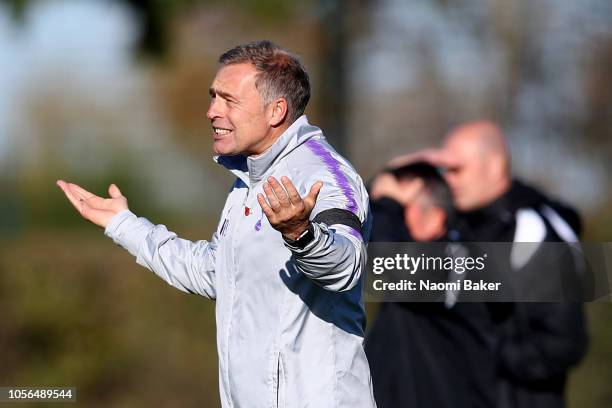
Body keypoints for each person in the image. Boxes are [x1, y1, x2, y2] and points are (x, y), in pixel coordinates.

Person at [57, 41, 376, 408]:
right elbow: (216, 271)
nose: (211, 111)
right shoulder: (246, 181)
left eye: (228, 100)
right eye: (213, 97)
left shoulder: (327, 175)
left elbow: (346, 267)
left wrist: (301, 235)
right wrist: (123, 224)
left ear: (276, 111)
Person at [436, 121, 588, 408]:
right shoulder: (455, 230)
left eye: (458, 169)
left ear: (493, 166)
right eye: (445, 171)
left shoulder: (537, 233)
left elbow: (564, 344)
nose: (449, 180)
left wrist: (477, 349)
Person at [365, 162, 498, 408]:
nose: (393, 220)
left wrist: (387, 203)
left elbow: (391, 259)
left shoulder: (460, 260)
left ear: (434, 217)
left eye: (403, 211)